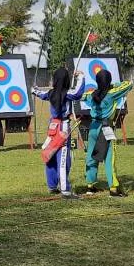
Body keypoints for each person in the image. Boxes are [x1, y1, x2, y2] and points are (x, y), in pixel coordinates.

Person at [32, 67, 85, 198]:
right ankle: (65, 190)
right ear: (66, 80)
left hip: (52, 127)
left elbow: (38, 93)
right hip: (63, 128)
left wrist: (33, 88)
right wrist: (81, 77)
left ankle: (52, 185)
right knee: (62, 158)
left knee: (50, 154)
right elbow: (78, 93)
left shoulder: (50, 93)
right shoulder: (67, 93)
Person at [82, 70, 133, 197]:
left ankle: (90, 186)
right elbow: (129, 84)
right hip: (106, 127)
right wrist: (113, 85)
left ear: (97, 81)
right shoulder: (112, 93)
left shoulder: (92, 94)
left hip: (93, 127)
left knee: (91, 155)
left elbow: (81, 96)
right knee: (110, 158)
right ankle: (113, 188)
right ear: (109, 81)